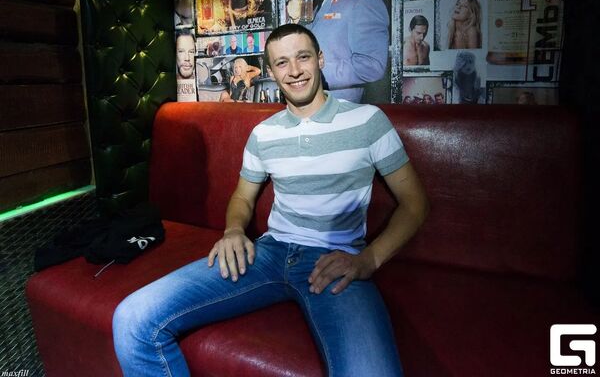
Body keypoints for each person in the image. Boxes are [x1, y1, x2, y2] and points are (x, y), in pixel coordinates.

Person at [113, 23, 429, 377]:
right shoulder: (264, 133)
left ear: (320, 59)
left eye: (302, 57)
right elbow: (242, 197)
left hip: (334, 260)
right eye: (281, 63)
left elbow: (415, 204)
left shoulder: (367, 121)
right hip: (269, 253)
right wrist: (234, 230)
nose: (294, 70)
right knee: (133, 318)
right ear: (271, 72)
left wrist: (369, 259)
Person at [307, 0, 389, 103]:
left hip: (341, 107)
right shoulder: (323, 1)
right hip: (316, 104)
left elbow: (372, 66)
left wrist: (313, 73)